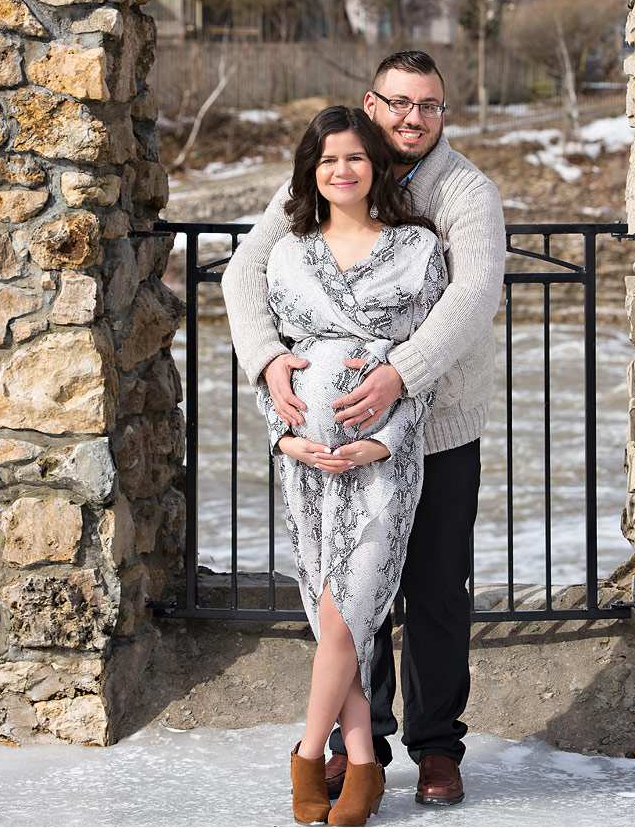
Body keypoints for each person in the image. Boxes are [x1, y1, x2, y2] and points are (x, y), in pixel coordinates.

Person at [223, 51, 506, 808]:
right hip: (332, 431)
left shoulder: (462, 190)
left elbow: (473, 292)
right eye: (399, 102)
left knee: (435, 588)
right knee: (351, 591)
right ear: (370, 102)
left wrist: (400, 375)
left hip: (436, 422)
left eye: (429, 106)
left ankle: (437, 747)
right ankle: (363, 745)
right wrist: (266, 362)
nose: (413, 117)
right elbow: (244, 272)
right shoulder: (333, 169)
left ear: (443, 114)